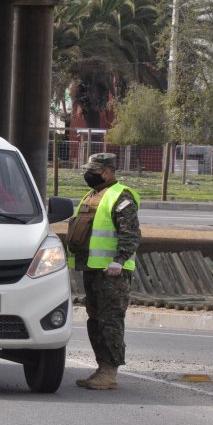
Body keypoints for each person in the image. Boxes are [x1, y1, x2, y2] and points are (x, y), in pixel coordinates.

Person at [66, 153, 141, 390]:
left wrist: (119, 260)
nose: (88, 174)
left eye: (94, 170)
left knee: (110, 322)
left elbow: (130, 233)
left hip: (112, 272)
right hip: (94, 269)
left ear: (107, 171)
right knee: (96, 320)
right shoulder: (94, 194)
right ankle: (102, 368)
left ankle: (109, 371)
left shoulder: (121, 195)